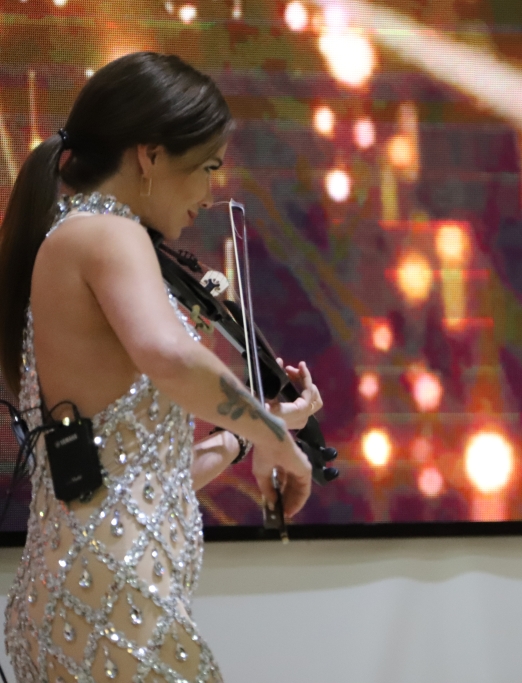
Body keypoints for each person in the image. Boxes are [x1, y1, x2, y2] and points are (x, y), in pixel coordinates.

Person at [0, 53, 319, 682]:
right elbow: (170, 355)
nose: (210, 193)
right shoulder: (106, 232)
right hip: (116, 607)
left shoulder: (72, 237)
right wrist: (275, 440)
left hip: (72, 601)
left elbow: (139, 484)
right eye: (207, 167)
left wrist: (247, 434)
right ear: (148, 156)